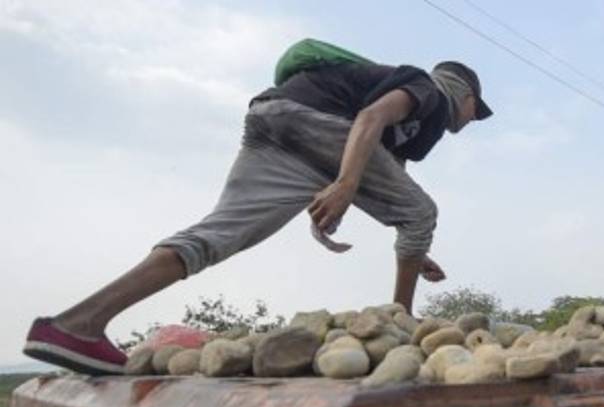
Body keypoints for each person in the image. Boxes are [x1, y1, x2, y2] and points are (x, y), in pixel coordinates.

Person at [23, 58, 492, 375]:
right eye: (477, 109)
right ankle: (403, 325)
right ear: (465, 94)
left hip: (274, 121)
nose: (473, 119)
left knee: (216, 237)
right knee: (423, 210)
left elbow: (390, 186)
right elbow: (369, 120)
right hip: (316, 120)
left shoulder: (419, 133)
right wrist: (346, 187)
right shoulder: (429, 91)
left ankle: (74, 326)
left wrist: (412, 245)